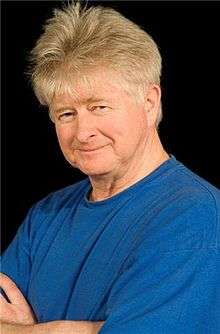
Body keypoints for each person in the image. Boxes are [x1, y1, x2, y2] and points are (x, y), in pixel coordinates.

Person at [1, 2, 220, 333]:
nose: (82, 132)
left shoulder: (195, 218)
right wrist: (82, 330)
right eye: (66, 114)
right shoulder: (46, 216)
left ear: (149, 102)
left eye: (98, 106)